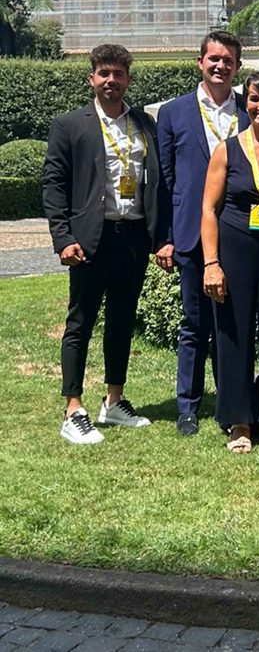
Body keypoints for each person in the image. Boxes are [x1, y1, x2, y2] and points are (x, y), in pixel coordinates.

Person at [43, 44, 166, 444]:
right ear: (92, 78)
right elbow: (54, 185)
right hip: (88, 240)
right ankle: (73, 408)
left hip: (132, 238)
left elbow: (158, 183)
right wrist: (63, 238)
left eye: (118, 74)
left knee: (120, 321)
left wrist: (160, 237)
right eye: (104, 73)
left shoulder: (144, 124)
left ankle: (114, 400)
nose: (111, 80)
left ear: (128, 79)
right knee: (80, 323)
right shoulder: (69, 125)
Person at [157, 30, 249, 436]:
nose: (220, 66)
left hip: (241, 233)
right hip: (192, 234)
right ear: (200, 62)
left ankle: (232, 404)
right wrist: (165, 237)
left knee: (232, 325)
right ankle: (188, 408)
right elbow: (164, 181)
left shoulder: (250, 109)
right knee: (195, 324)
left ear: (237, 67)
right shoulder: (173, 113)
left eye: (228, 60)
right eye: (214, 59)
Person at [200, 70, 259, 453]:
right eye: (255, 98)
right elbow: (209, 209)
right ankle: (239, 420)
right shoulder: (227, 150)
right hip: (234, 250)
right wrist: (211, 263)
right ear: (246, 102)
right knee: (233, 332)